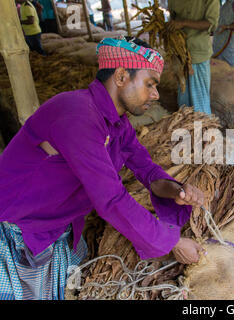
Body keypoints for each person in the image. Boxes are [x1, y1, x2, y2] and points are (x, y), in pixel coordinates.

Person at [0, 37, 205, 300]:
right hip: (18, 229)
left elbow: (147, 171)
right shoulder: (77, 115)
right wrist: (172, 241)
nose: (155, 94)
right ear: (121, 76)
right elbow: (110, 198)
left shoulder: (117, 123)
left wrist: (177, 191)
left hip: (57, 224)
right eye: (150, 84)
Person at [167, 0, 220, 115]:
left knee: (200, 100)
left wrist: (184, 23)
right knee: (183, 97)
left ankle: (204, 128)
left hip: (198, 53)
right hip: (180, 52)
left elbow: (211, 23)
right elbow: (173, 17)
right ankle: (186, 125)